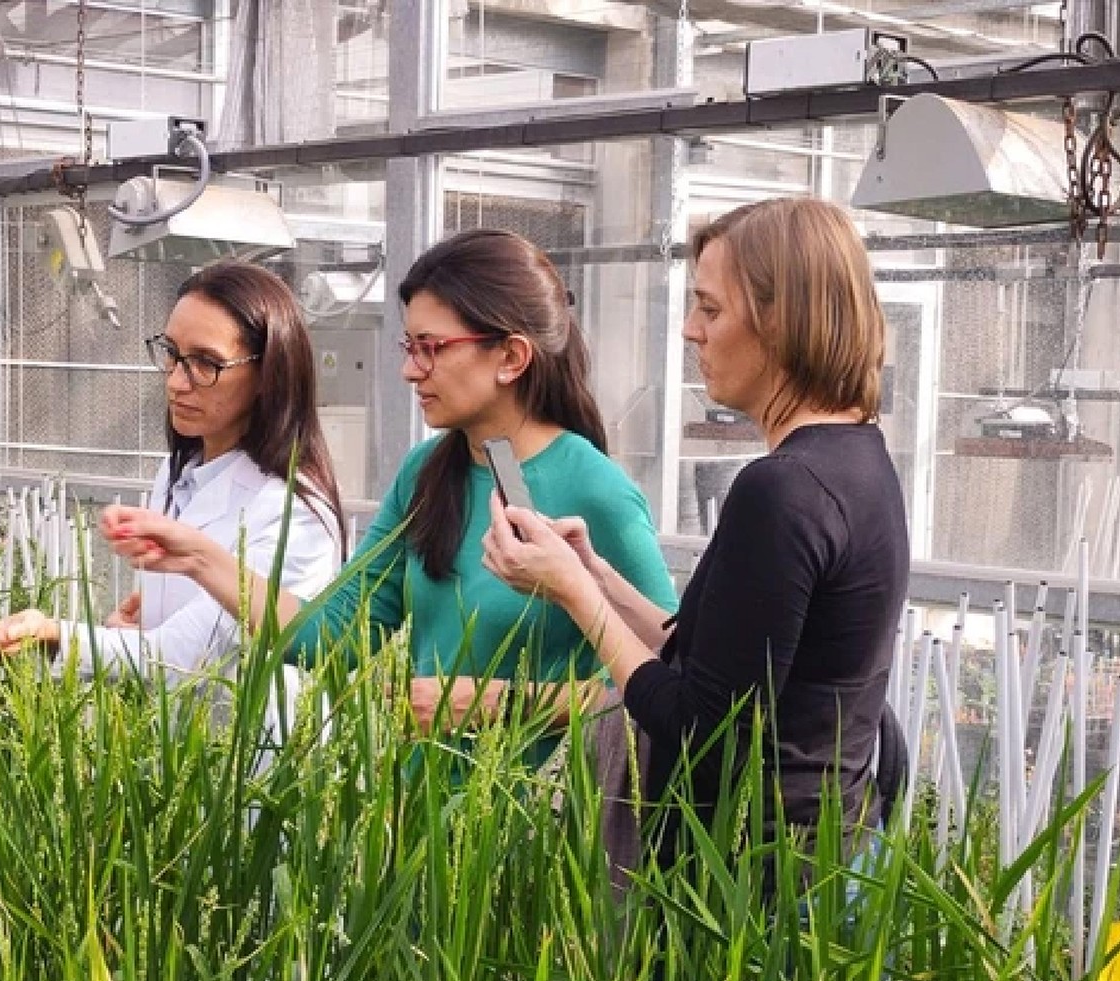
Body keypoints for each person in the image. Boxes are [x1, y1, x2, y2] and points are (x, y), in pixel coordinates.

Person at [100, 229, 677, 764]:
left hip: (543, 834)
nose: (408, 369)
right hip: (421, 816)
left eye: (430, 347)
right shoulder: (426, 473)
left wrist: (501, 702)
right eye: (409, 344)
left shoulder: (595, 490)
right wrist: (199, 557)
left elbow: (669, 690)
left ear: (511, 357)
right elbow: (333, 640)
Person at [481, 197, 909, 862]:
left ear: (782, 320)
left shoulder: (783, 489)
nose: (690, 330)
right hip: (823, 857)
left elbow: (696, 726)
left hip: (749, 891)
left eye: (711, 309)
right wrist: (599, 576)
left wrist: (577, 597)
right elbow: (725, 667)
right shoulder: (858, 460)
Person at [0, 261, 347, 723]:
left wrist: (49, 634)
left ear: (269, 376)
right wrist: (132, 629)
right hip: (178, 750)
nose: (176, 381)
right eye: (172, 353)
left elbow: (182, 657)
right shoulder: (177, 472)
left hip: (257, 768)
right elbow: (169, 640)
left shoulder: (293, 512)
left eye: (206, 363)